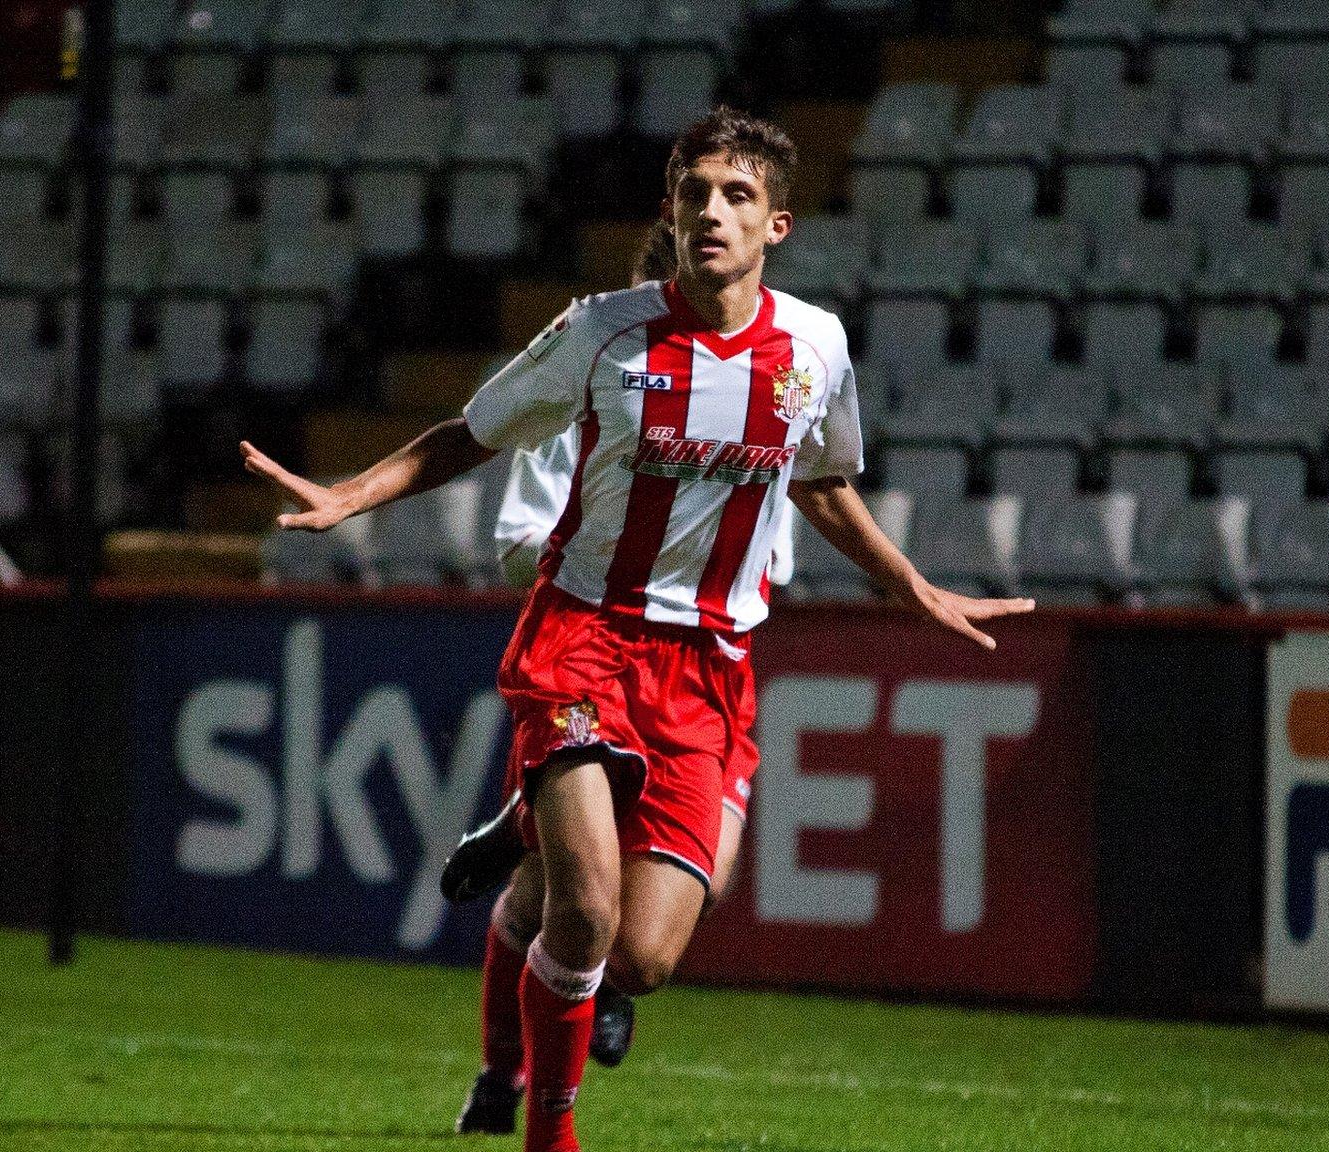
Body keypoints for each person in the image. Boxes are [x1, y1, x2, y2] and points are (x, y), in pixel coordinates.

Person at [241, 106, 1033, 1152]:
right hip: (582, 636)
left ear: (775, 226)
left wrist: (912, 587)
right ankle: (548, 1130)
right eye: (695, 192)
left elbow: (824, 482)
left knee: (647, 957)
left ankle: (524, 834)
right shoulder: (598, 332)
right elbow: (466, 435)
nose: (712, 211)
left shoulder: (814, 349)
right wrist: (354, 494)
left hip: (706, 669)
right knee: (585, 915)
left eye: (736, 195)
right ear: (670, 211)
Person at [440, 221, 796, 1108]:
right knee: (552, 903)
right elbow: (517, 539)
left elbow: (777, 551)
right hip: (595, 655)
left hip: (705, 671)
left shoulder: (770, 388)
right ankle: (502, 1081)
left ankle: (552, 877)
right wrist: (604, 548)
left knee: (682, 903)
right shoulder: (601, 379)